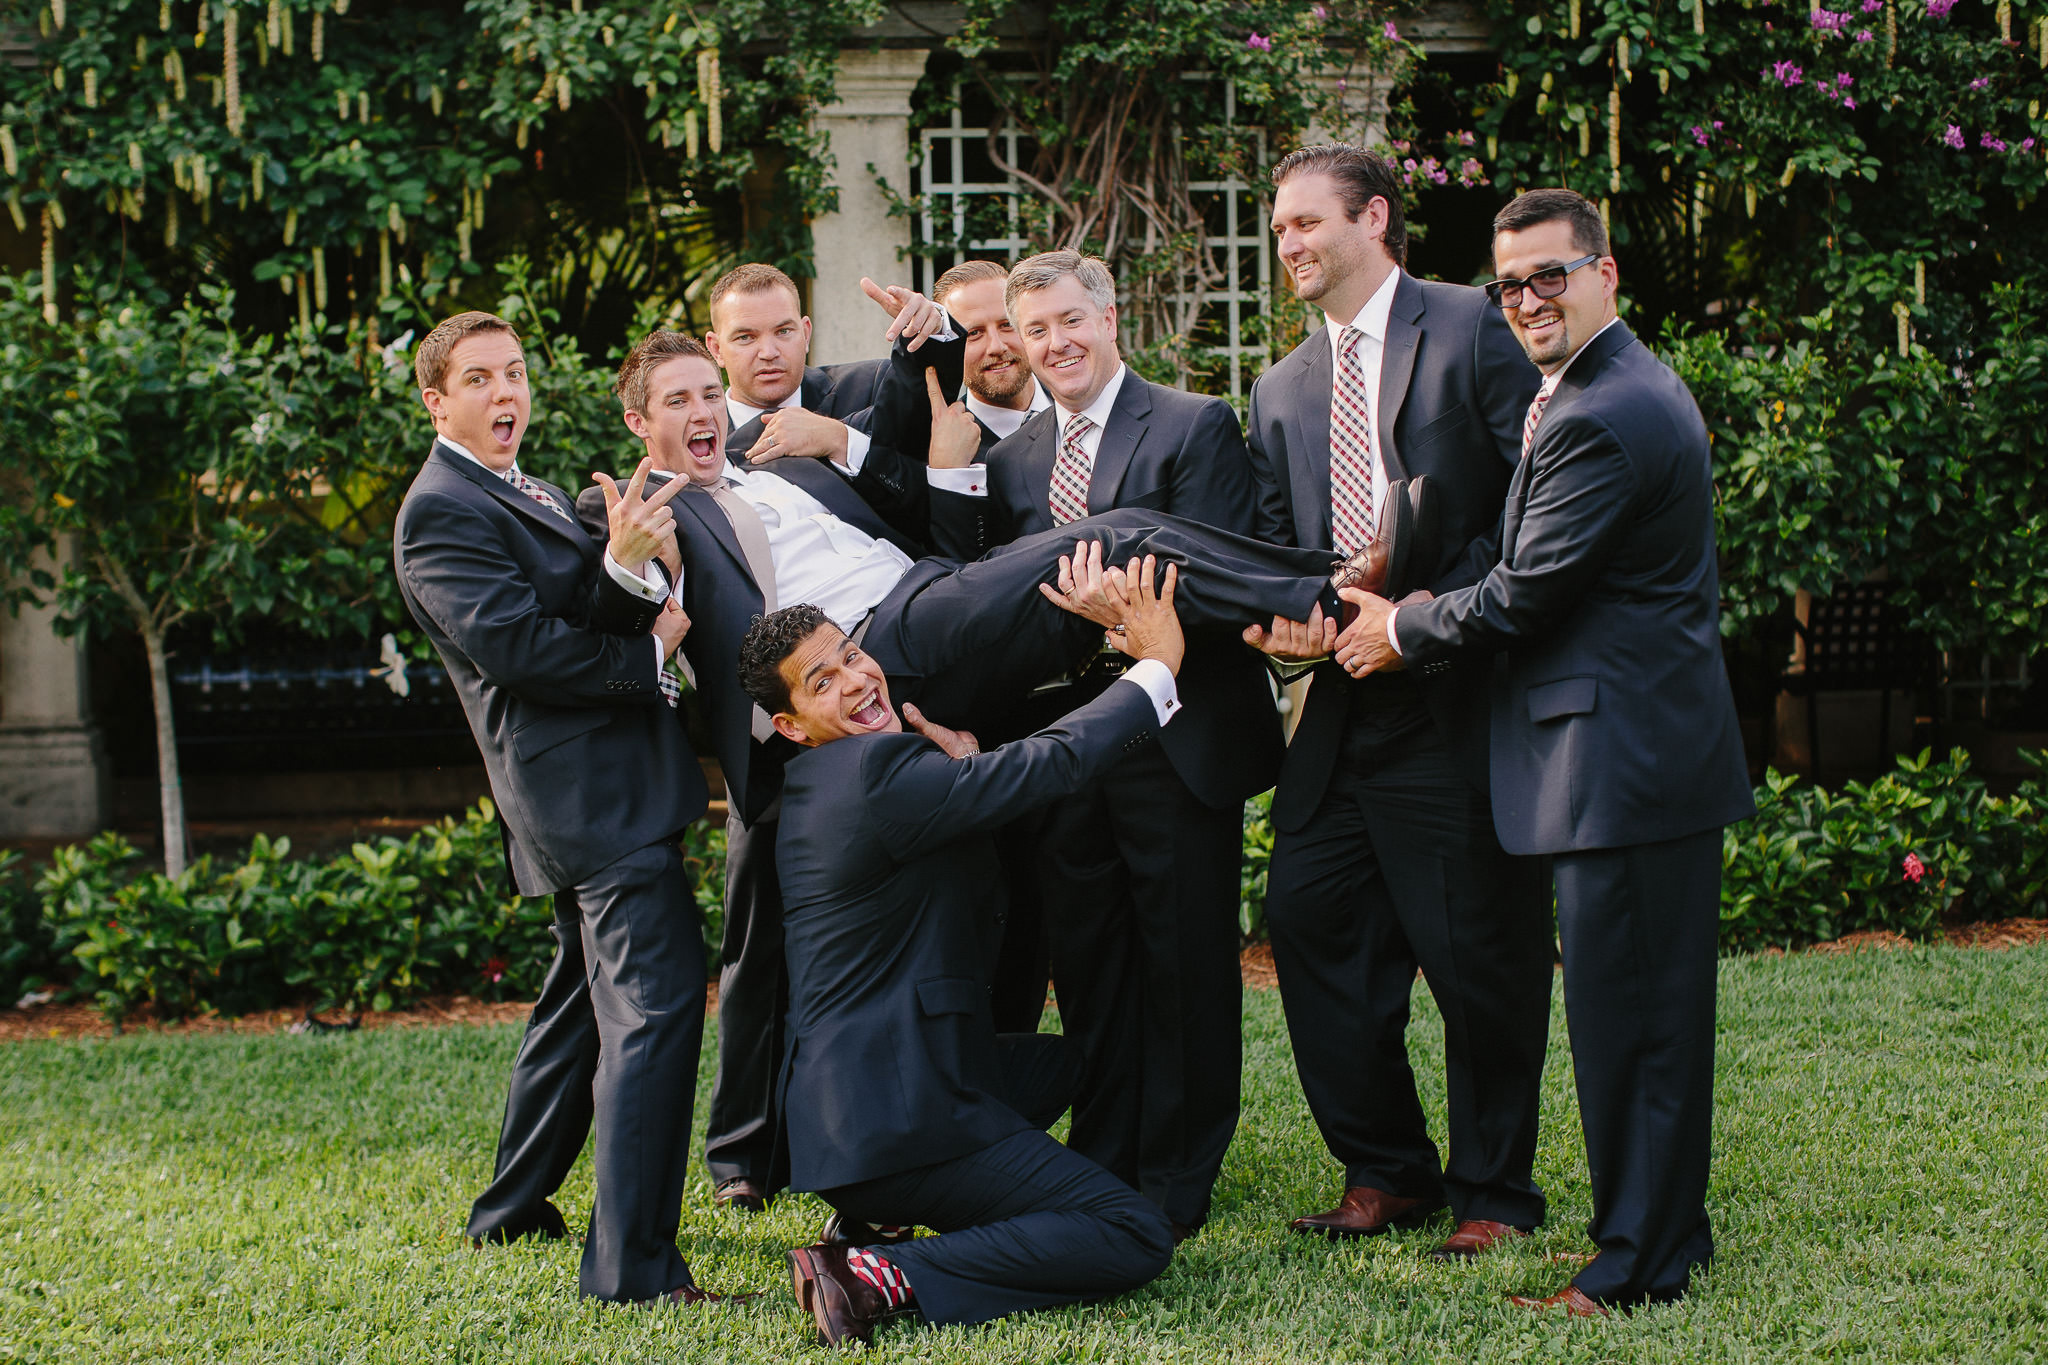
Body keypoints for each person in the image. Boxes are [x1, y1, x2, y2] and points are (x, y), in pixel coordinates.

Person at [1336, 188, 1755, 1314]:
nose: (1525, 300)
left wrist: (1400, 626)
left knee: (1632, 1031)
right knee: (1646, 1022)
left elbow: (1522, 594)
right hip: (1635, 756)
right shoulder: (1592, 388)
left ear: (1604, 275)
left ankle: (1632, 1269)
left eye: (1548, 276)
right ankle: (1671, 1231)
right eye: (1507, 283)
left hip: (1620, 765)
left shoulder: (1597, 411)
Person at [1237, 145, 1555, 1260]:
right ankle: (1385, 1170)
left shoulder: (1472, 325)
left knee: (1477, 953)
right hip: (1335, 706)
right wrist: (1288, 622)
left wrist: (1417, 615)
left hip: (1452, 688)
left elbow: (1535, 501)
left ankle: (1494, 1194)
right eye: (1276, 230)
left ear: (1373, 217)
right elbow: (1286, 548)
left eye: (1303, 224)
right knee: (1307, 918)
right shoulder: (1277, 389)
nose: (1287, 246)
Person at [392, 311, 745, 1305]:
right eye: (479, 380)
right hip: (581, 795)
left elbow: (579, 608)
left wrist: (624, 570)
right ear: (437, 400)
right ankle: (631, 1269)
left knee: (578, 1008)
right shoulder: (438, 512)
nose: (506, 394)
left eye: (514, 374)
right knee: (656, 1008)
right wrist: (650, 636)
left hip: (604, 781)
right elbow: (521, 654)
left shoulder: (527, 488)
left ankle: (512, 1204)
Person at [927, 250, 1279, 1242]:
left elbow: (1217, 578)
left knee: (1183, 962)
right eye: (1034, 331)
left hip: (1174, 734)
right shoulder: (1013, 459)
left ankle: (1178, 1169)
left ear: (1110, 315)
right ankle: (1107, 1152)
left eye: (1068, 322)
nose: (1052, 345)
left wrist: (1115, 613)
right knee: (1089, 963)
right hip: (1066, 749)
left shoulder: (1191, 423)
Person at [748, 556, 1187, 1345]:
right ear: (791, 725)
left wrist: (966, 770)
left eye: (850, 653)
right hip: (900, 1118)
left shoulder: (827, 784)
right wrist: (1154, 669)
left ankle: (876, 1217)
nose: (855, 680)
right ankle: (876, 1274)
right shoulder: (873, 770)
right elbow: (1046, 763)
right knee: (1133, 1231)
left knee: (1069, 1064)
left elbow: (955, 836)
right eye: (822, 682)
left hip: (864, 1101)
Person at [707, 263, 932, 549]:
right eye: (745, 337)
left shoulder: (872, 386)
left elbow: (929, 499)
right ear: (716, 349)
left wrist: (842, 441)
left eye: (783, 331)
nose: (768, 352)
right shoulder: (698, 444)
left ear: (806, 333)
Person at [929, 258, 1051, 455]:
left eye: (1007, 325)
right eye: (974, 333)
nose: (997, 346)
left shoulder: (1081, 405)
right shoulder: (939, 449)